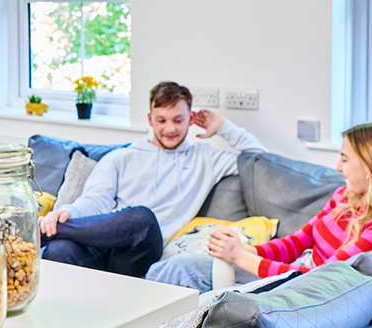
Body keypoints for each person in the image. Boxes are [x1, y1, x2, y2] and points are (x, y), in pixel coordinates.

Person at [39, 81, 267, 277]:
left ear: (191, 119)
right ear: (150, 119)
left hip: (140, 253)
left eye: (178, 120)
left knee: (143, 219)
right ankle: (55, 235)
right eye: (162, 120)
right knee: (58, 250)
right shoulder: (120, 158)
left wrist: (224, 127)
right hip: (102, 246)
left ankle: (39, 232)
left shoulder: (206, 158)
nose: (170, 128)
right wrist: (70, 212)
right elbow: (94, 201)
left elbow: (262, 162)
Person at [148, 122, 372, 292]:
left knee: (183, 271)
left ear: (371, 167)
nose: (337, 167)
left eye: (345, 159)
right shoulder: (344, 195)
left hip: (300, 287)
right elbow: (297, 242)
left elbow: (319, 279)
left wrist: (240, 257)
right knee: (175, 268)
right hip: (290, 270)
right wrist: (245, 250)